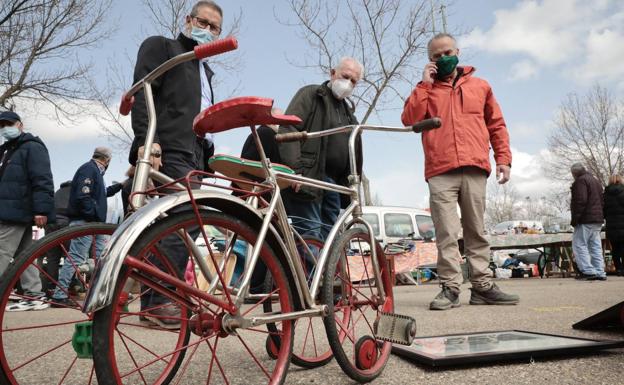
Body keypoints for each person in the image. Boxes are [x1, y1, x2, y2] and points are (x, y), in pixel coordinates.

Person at [401, 33, 519, 310]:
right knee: (446, 232)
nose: (443, 58)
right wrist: (423, 85)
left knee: (476, 230)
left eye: (447, 53)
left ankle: (482, 286)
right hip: (440, 169)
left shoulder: (481, 86)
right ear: (430, 61)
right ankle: (450, 288)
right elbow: (409, 119)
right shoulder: (425, 90)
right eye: (436, 56)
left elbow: (497, 125)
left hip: (475, 166)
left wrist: (504, 158)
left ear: (458, 51)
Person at [130, 0, 223, 328]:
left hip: (197, 154)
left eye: (215, 28)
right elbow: (144, 93)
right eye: (203, 22)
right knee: (177, 222)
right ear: (188, 19)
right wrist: (146, 140)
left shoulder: (205, 71)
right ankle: (159, 302)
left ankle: (164, 296)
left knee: (189, 223)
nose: (208, 30)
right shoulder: (165, 48)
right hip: (170, 146)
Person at [279, 57, 363, 241]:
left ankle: (324, 271)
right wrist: (295, 170)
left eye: (353, 81)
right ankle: (305, 271)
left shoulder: (349, 114)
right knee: (310, 235)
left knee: (330, 240)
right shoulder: (311, 94)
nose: (347, 83)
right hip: (309, 178)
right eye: (345, 76)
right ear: (333, 73)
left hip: (334, 185)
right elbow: (289, 128)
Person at [51, 147, 122, 306]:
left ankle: (99, 293)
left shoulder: (95, 171)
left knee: (101, 259)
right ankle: (59, 295)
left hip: (94, 223)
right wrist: (92, 215)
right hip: (86, 222)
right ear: (107, 160)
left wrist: (119, 186)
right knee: (75, 258)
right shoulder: (89, 169)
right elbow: (83, 195)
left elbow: (101, 193)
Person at [0, 111, 55, 312]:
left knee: (2, 251)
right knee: (26, 255)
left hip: (16, 210)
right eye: (2, 124)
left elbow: (42, 178)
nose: (5, 127)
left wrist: (41, 209)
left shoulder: (32, 147)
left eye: (9, 123)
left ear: (20, 125)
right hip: (12, 209)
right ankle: (35, 295)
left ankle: (34, 294)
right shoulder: (7, 150)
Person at [570, 163, 606, 281]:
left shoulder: (580, 181)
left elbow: (580, 201)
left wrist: (575, 219)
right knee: (595, 246)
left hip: (585, 219)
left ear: (574, 173)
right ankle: (600, 271)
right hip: (597, 219)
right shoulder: (595, 180)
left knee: (580, 245)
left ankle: (588, 271)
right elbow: (601, 200)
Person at [604, 174, 624, 276]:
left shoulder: (606, 194)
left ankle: (619, 269)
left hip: (611, 226)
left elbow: (603, 211)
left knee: (615, 249)